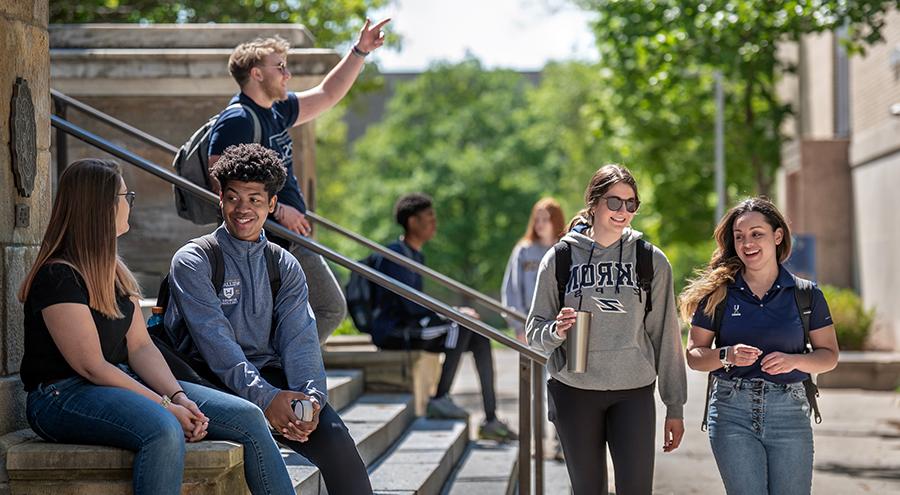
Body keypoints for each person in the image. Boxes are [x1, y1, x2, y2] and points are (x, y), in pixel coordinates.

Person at [18, 159, 295, 495]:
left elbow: (140, 347)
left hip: (116, 382)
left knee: (249, 416)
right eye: (125, 195)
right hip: (61, 396)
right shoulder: (57, 276)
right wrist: (166, 407)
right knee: (164, 429)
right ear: (101, 206)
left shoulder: (114, 271)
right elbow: (90, 366)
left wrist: (179, 396)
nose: (129, 203)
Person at [164, 144, 372, 494]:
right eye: (233, 198)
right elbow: (218, 348)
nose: (243, 209)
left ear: (272, 205)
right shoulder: (194, 260)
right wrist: (267, 399)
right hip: (204, 378)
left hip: (265, 372)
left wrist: (312, 400)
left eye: (255, 200)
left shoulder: (283, 264)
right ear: (220, 198)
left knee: (335, 440)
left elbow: (300, 339)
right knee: (256, 429)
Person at [207, 18, 390, 343]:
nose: (287, 74)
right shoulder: (237, 119)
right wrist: (279, 212)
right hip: (270, 237)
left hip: (289, 237)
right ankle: (282, 371)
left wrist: (360, 51)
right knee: (329, 307)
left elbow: (327, 93)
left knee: (309, 312)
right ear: (257, 74)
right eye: (280, 67)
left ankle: (282, 372)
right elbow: (220, 182)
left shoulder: (276, 110)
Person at [526, 164, 687, 494]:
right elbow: (534, 334)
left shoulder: (650, 260)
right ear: (593, 203)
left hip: (634, 392)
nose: (623, 211)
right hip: (574, 390)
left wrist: (674, 405)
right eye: (614, 202)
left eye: (631, 204)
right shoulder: (560, 258)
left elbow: (665, 336)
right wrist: (557, 330)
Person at [680, 197, 839, 495]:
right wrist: (726, 355)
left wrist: (795, 361)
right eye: (739, 237)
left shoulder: (807, 295)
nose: (747, 243)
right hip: (731, 413)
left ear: (777, 236)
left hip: (790, 413)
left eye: (757, 234)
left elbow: (829, 356)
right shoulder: (718, 294)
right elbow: (694, 356)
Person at [370, 193, 517, 442]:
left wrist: (452, 314)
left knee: (479, 336)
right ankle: (440, 398)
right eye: (429, 218)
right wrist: (454, 313)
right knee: (458, 326)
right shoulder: (395, 255)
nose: (434, 223)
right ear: (413, 222)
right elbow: (410, 306)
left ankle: (490, 419)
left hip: (416, 326)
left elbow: (417, 305)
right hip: (396, 331)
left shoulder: (415, 254)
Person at [502, 197, 566, 341]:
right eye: (536, 219)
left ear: (556, 220)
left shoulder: (565, 249)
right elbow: (512, 291)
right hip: (528, 325)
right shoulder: (524, 250)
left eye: (545, 219)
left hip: (558, 327)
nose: (539, 224)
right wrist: (519, 326)